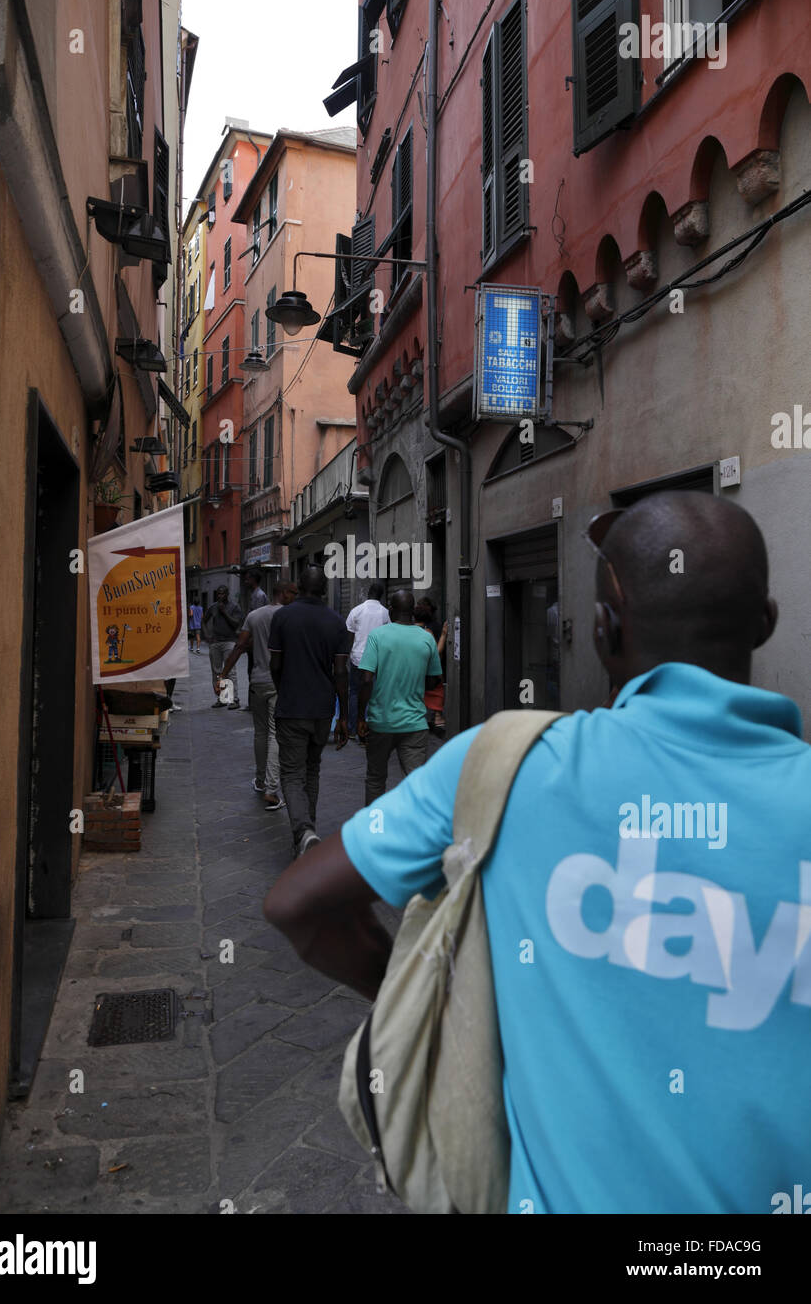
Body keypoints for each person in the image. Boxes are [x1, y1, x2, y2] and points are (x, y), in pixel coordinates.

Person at [264, 492, 811, 1214]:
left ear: (601, 632)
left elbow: (297, 903)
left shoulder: (508, 764)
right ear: (766, 623)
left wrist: (433, 993)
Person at [269, 564, 350, 857]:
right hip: (323, 708)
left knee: (291, 774)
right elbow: (341, 673)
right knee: (312, 769)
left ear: (300, 586)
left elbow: (275, 665)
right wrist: (344, 716)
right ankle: (308, 833)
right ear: (325, 589)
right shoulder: (337, 622)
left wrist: (284, 688)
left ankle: (304, 832)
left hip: (292, 706)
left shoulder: (282, 617)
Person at [357, 590, 442, 805]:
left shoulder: (378, 635)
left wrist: (360, 717)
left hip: (381, 721)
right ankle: (414, 832)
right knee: (415, 782)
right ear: (413, 611)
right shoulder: (427, 638)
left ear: (391, 610)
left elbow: (366, 679)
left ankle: (374, 829)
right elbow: (434, 680)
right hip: (414, 723)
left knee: (376, 779)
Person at [218, 581, 297, 810]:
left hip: (258, 682)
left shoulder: (254, 616)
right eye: (293, 592)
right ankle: (272, 790)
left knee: (260, 733)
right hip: (279, 683)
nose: (295, 596)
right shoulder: (290, 615)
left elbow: (240, 646)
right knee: (274, 734)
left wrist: (222, 675)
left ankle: (260, 780)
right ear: (282, 593)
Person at [345, 582, 389, 740]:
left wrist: (347, 656)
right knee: (372, 693)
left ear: (367, 593)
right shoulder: (385, 613)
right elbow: (387, 637)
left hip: (357, 658)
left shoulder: (356, 611)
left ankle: (351, 729)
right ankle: (367, 728)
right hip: (376, 660)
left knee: (355, 692)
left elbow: (349, 636)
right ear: (381, 596)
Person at [202, 586, 243, 710]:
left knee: (231, 671)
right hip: (215, 642)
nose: (220, 596)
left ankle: (235, 699)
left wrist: (224, 612)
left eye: (222, 594)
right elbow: (203, 620)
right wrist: (207, 635)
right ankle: (223, 698)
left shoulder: (234, 607)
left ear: (227, 594)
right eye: (218, 594)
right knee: (217, 671)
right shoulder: (213, 607)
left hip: (229, 642)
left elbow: (236, 624)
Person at [414, 600, 448, 736]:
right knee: (435, 693)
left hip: (414, 672)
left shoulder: (408, 631)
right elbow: (436, 651)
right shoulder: (427, 633)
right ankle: (438, 719)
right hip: (428, 672)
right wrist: (444, 635)